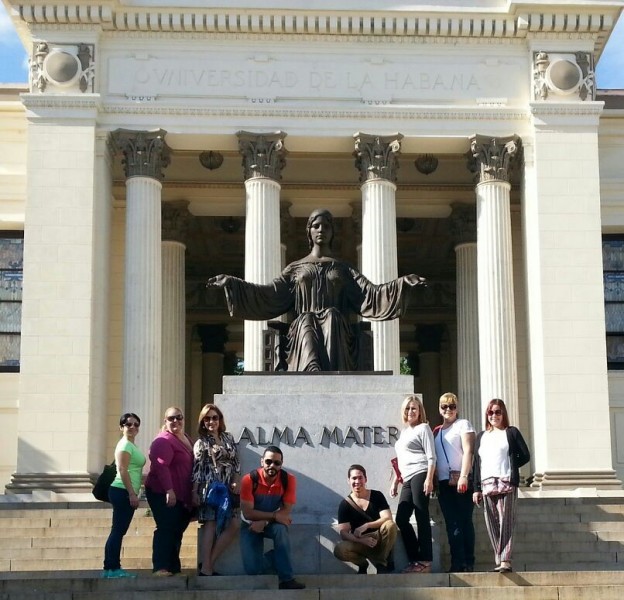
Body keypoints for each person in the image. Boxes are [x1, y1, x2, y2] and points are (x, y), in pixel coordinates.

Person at [207, 208, 426, 371]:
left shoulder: (344, 269)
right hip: (301, 331)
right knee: (306, 320)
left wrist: (402, 283)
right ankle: (311, 371)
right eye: (316, 225)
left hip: (337, 330)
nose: (321, 230)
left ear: (333, 232)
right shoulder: (295, 268)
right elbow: (269, 294)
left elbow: (370, 294)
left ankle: (329, 375)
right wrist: (232, 284)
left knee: (331, 315)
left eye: (326, 226)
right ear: (309, 231)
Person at [472, 398, 531, 573]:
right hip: (487, 484)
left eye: (498, 412)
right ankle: (500, 558)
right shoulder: (481, 436)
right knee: (492, 522)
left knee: (506, 521)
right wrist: (475, 488)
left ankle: (505, 560)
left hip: (506, 482)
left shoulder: (511, 432)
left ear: (503, 413)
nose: (494, 416)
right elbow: (477, 464)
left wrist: (512, 467)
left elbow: (525, 455)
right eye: (491, 412)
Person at [239, 445, 305, 590]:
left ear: (281, 463)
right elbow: (248, 512)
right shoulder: (249, 479)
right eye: (268, 462)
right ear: (262, 461)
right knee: (253, 570)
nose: (272, 466)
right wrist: (273, 516)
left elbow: (286, 510)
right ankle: (280, 558)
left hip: (272, 523)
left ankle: (287, 579)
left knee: (281, 530)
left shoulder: (289, 480)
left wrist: (265, 521)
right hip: (250, 524)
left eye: (277, 463)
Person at [191, 403, 241, 576]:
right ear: (203, 422)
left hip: (227, 489)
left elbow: (236, 463)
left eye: (214, 417)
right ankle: (207, 568)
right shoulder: (201, 443)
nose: (211, 421)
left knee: (234, 524)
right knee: (210, 525)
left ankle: (208, 563)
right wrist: (194, 491)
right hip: (210, 488)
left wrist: (235, 480)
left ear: (220, 420)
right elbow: (197, 469)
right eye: (207, 418)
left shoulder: (228, 438)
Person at [145, 406, 194, 576]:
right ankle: (161, 566)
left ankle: (173, 565)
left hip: (181, 494)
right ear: (165, 421)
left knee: (176, 528)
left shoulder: (185, 437)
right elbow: (160, 466)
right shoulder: (163, 440)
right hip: (162, 492)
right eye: (171, 418)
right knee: (166, 527)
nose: (175, 421)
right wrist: (169, 490)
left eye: (178, 417)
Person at [390, 394, 436, 574]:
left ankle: (425, 560)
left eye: (414, 408)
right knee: (401, 518)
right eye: (408, 408)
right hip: (407, 479)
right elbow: (401, 459)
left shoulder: (424, 428)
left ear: (420, 411)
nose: (411, 411)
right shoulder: (404, 432)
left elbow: (431, 455)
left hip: (421, 473)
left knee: (421, 515)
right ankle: (416, 558)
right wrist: (396, 481)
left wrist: (429, 478)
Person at [433, 392, 476, 573]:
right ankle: (457, 562)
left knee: (464, 521)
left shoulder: (463, 425)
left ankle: (467, 561)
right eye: (444, 406)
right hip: (444, 483)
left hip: (461, 481)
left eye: (452, 406)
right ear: (440, 409)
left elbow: (469, 451)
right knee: (452, 524)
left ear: (457, 408)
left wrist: (465, 476)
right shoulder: (436, 431)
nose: (448, 410)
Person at [102, 412, 146, 578]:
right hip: (121, 491)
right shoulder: (125, 445)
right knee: (118, 531)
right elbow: (122, 469)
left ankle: (111, 568)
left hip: (124, 491)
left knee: (118, 530)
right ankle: (112, 568)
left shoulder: (131, 445)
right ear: (121, 428)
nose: (132, 427)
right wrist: (132, 494)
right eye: (128, 424)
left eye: (136, 424)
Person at [334, 464, 398, 574]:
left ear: (365, 479)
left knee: (390, 525)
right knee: (339, 549)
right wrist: (361, 540)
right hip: (360, 542)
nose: (357, 481)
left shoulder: (377, 496)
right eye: (354, 478)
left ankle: (381, 563)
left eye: (360, 477)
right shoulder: (345, 504)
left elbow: (387, 517)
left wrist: (366, 525)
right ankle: (362, 564)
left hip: (379, 538)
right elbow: (343, 533)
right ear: (348, 481)